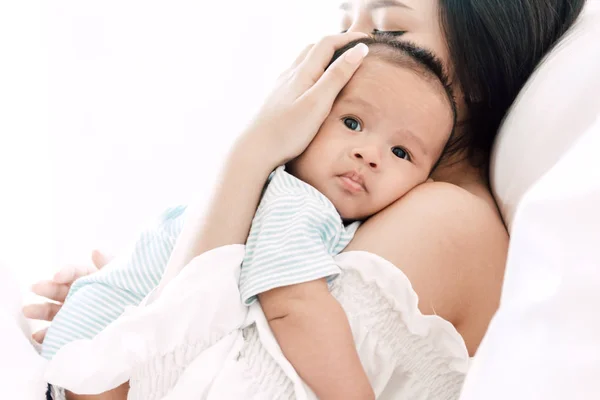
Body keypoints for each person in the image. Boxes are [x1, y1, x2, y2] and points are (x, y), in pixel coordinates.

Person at [24, 0, 586, 399]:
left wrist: (250, 153)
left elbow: (187, 385)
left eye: (391, 31)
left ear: (479, 73)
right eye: (344, 25)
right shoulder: (352, 199)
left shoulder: (444, 219)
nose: (351, 51)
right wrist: (128, 297)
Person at [44, 36, 458, 400]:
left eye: (401, 153)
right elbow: (295, 304)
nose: (369, 154)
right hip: (96, 361)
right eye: (352, 123)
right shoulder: (297, 199)